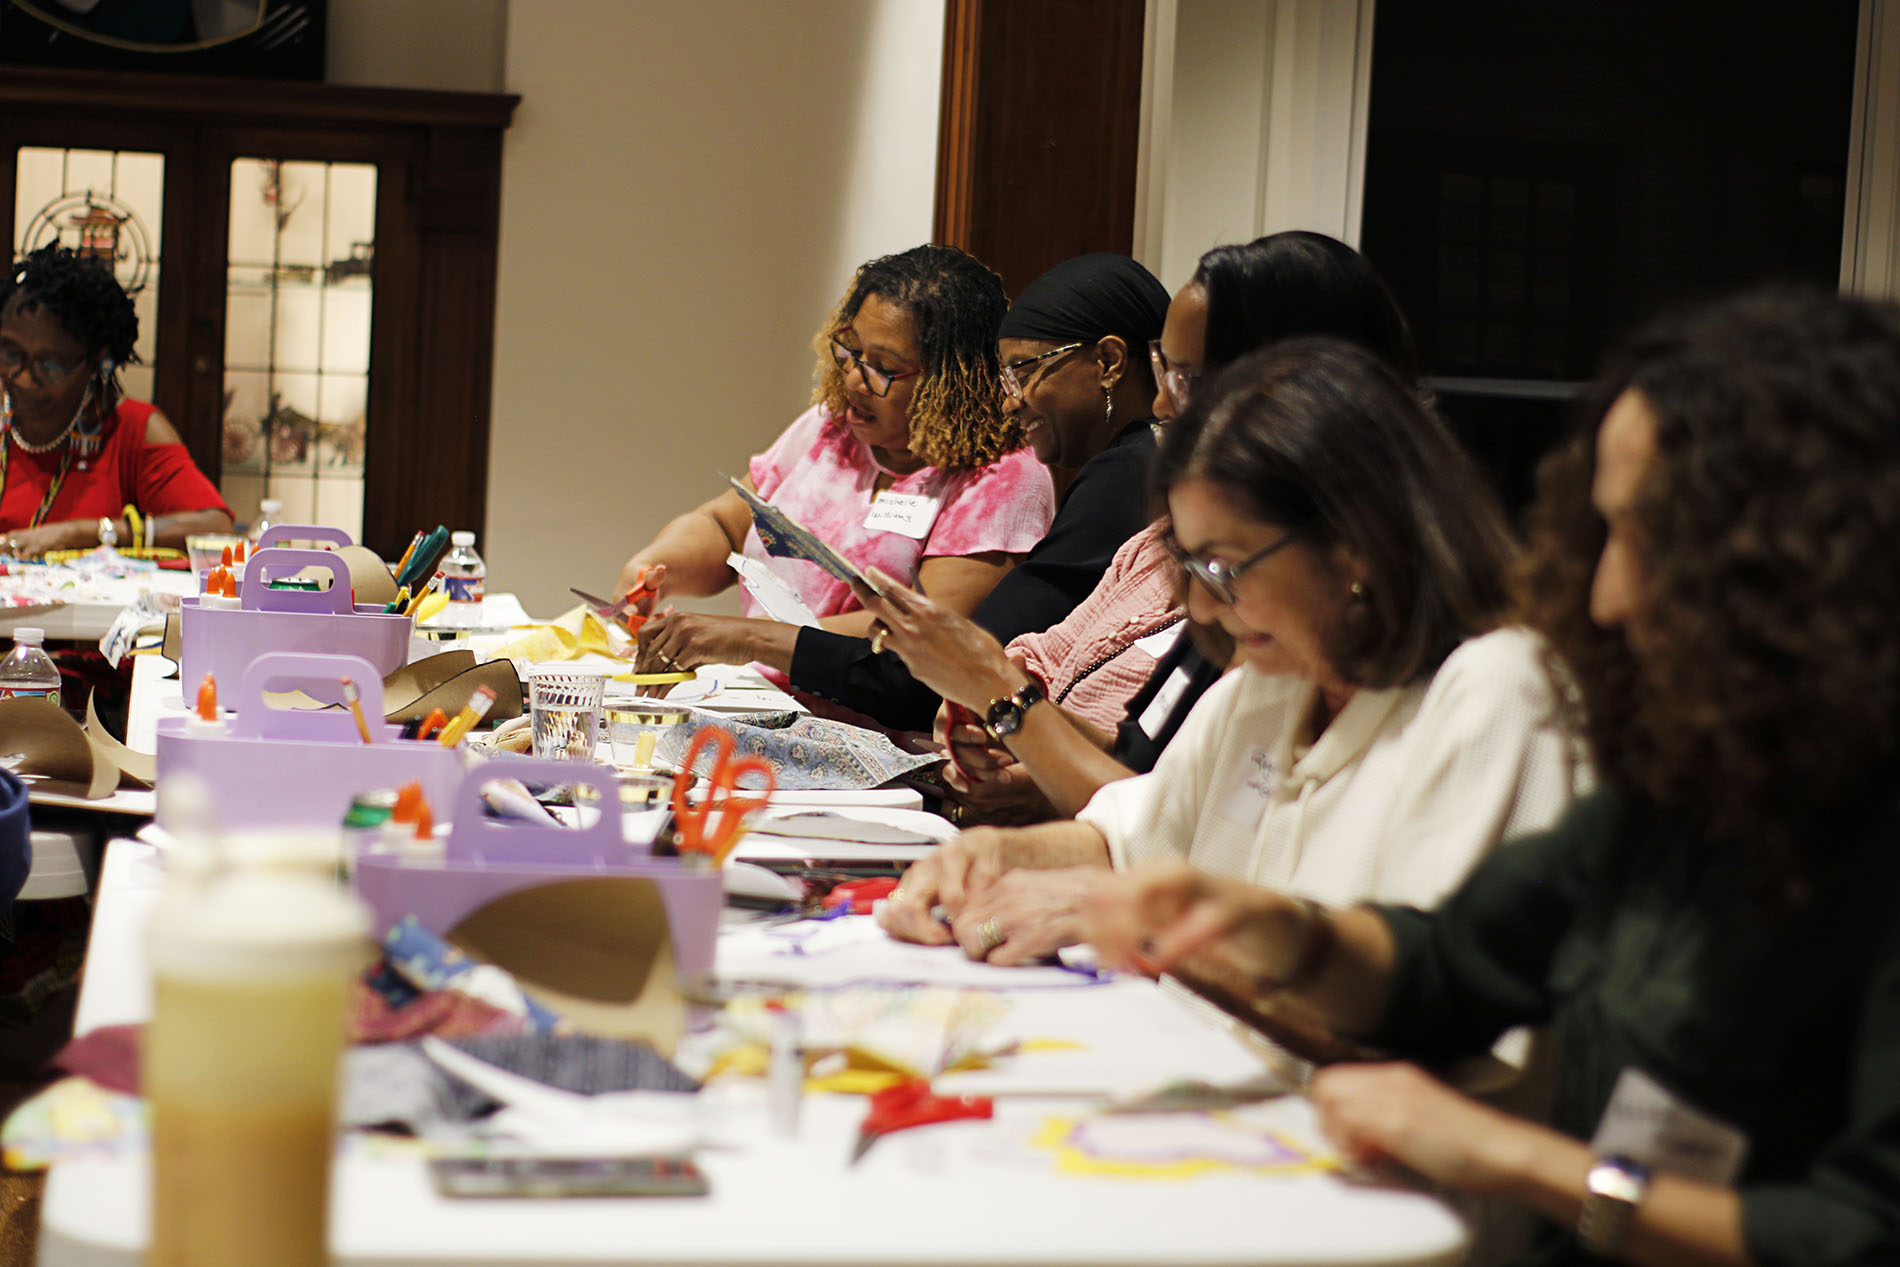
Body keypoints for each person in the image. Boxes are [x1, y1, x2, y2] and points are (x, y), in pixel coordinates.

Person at [1082, 288, 1900, 1267]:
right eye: (1603, 537)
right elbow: (1451, 960)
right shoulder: (1693, 788)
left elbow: (1861, 1232)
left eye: (1648, 540)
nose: (1606, 596)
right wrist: (1278, 929)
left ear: (1806, 562)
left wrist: (1524, 1162)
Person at [879, 338, 1585, 962]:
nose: (1204, 608)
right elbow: (1136, 834)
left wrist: (1142, 922)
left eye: (1224, 567)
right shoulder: (1272, 683)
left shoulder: (1493, 693)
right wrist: (995, 854)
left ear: (1357, 544)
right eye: (1189, 567)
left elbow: (1421, 994)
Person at [870, 231, 1431, 825]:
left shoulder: (1397, 653)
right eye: (1164, 367)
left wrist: (1002, 698)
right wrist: (1014, 730)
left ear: (1302, 392)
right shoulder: (1186, 551)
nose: (1162, 404)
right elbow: (1148, 776)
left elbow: (1168, 825)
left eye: (1186, 377)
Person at [620, 245, 1052, 680]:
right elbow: (727, 527)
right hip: (756, 693)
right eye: (851, 352)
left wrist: (749, 639)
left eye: (884, 367)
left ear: (952, 381)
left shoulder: (1001, 478)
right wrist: (658, 568)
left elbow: (929, 634)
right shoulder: (831, 428)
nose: (853, 380)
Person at [785, 253, 1172, 731]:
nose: (1010, 401)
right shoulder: (1139, 463)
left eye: (1024, 373)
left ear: (1109, 362)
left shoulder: (1129, 471)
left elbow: (942, 675)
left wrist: (753, 641)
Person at [0, 243, 233, 555]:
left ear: (98, 360)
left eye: (50, 365)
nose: (22, 378)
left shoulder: (132, 429)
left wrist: (90, 532)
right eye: (10, 353)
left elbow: (215, 527)